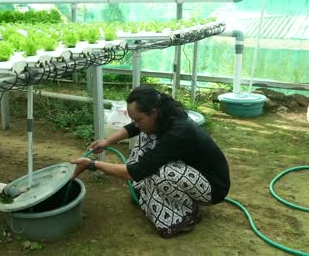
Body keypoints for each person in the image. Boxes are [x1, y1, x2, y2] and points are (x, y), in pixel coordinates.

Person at [70, 85, 230, 238]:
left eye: (138, 119)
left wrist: (92, 164)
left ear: (153, 112)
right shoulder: (164, 115)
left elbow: (137, 171)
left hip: (212, 188)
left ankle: (188, 215)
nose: (136, 123)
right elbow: (135, 127)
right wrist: (106, 142)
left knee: (161, 172)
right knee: (145, 134)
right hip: (192, 174)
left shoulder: (178, 131)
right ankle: (152, 194)